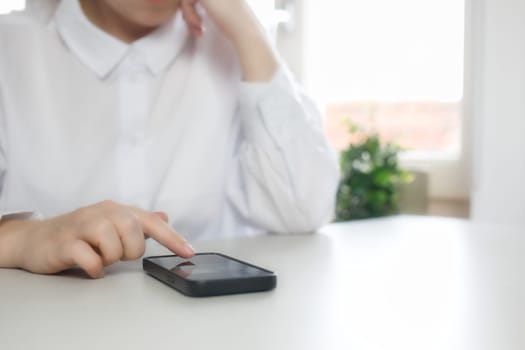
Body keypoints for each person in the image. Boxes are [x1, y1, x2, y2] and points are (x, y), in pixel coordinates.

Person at [0, 0, 339, 278]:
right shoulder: (11, 47)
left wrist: (245, 25)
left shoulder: (230, 45)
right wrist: (22, 240)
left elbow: (304, 210)